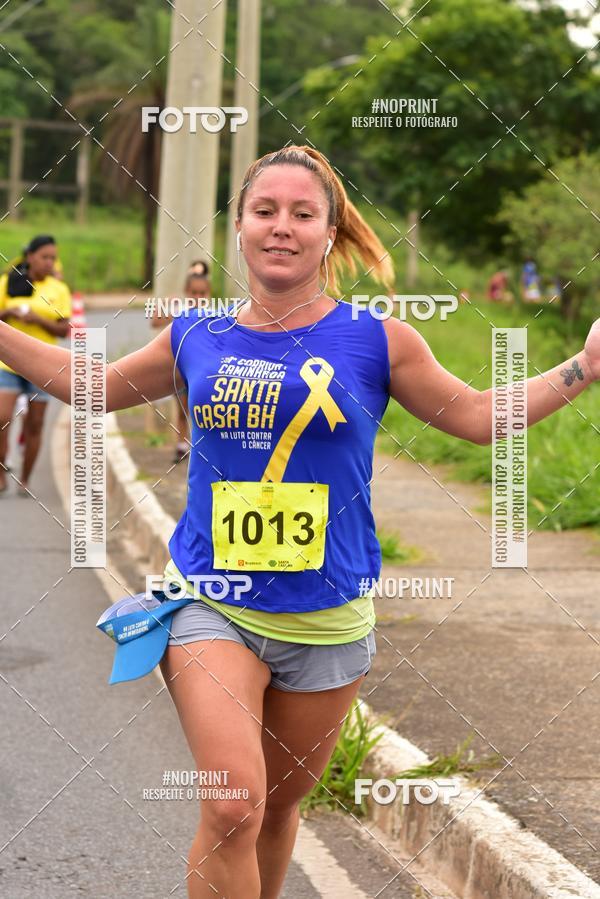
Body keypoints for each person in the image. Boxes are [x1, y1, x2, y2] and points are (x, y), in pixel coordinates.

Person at [0, 145, 598, 899]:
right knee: (230, 803)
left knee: (279, 807)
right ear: (240, 226)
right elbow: (92, 385)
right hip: (211, 602)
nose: (281, 227)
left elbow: (479, 416)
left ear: (329, 232)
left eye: (302, 214)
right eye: (265, 211)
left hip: (327, 618)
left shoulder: (378, 339)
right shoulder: (195, 334)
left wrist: (585, 363)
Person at [0, 235, 71, 495]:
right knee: (2, 418)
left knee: (35, 424)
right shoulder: (9, 282)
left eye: (53, 258)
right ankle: (1, 473)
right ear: (30, 257)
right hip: (6, 364)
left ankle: (25, 480)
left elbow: (65, 329)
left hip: (43, 367)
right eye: (44, 257)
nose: (49, 262)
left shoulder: (59, 289)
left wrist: (38, 320)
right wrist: (8, 313)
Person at [150, 263, 212, 462]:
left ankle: (198, 446)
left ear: (208, 293)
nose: (198, 298)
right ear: (187, 292)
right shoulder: (180, 310)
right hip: (181, 368)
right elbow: (155, 320)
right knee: (183, 407)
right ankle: (181, 445)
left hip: (204, 369)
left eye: (202, 294)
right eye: (194, 293)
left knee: (201, 410)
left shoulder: (214, 313)